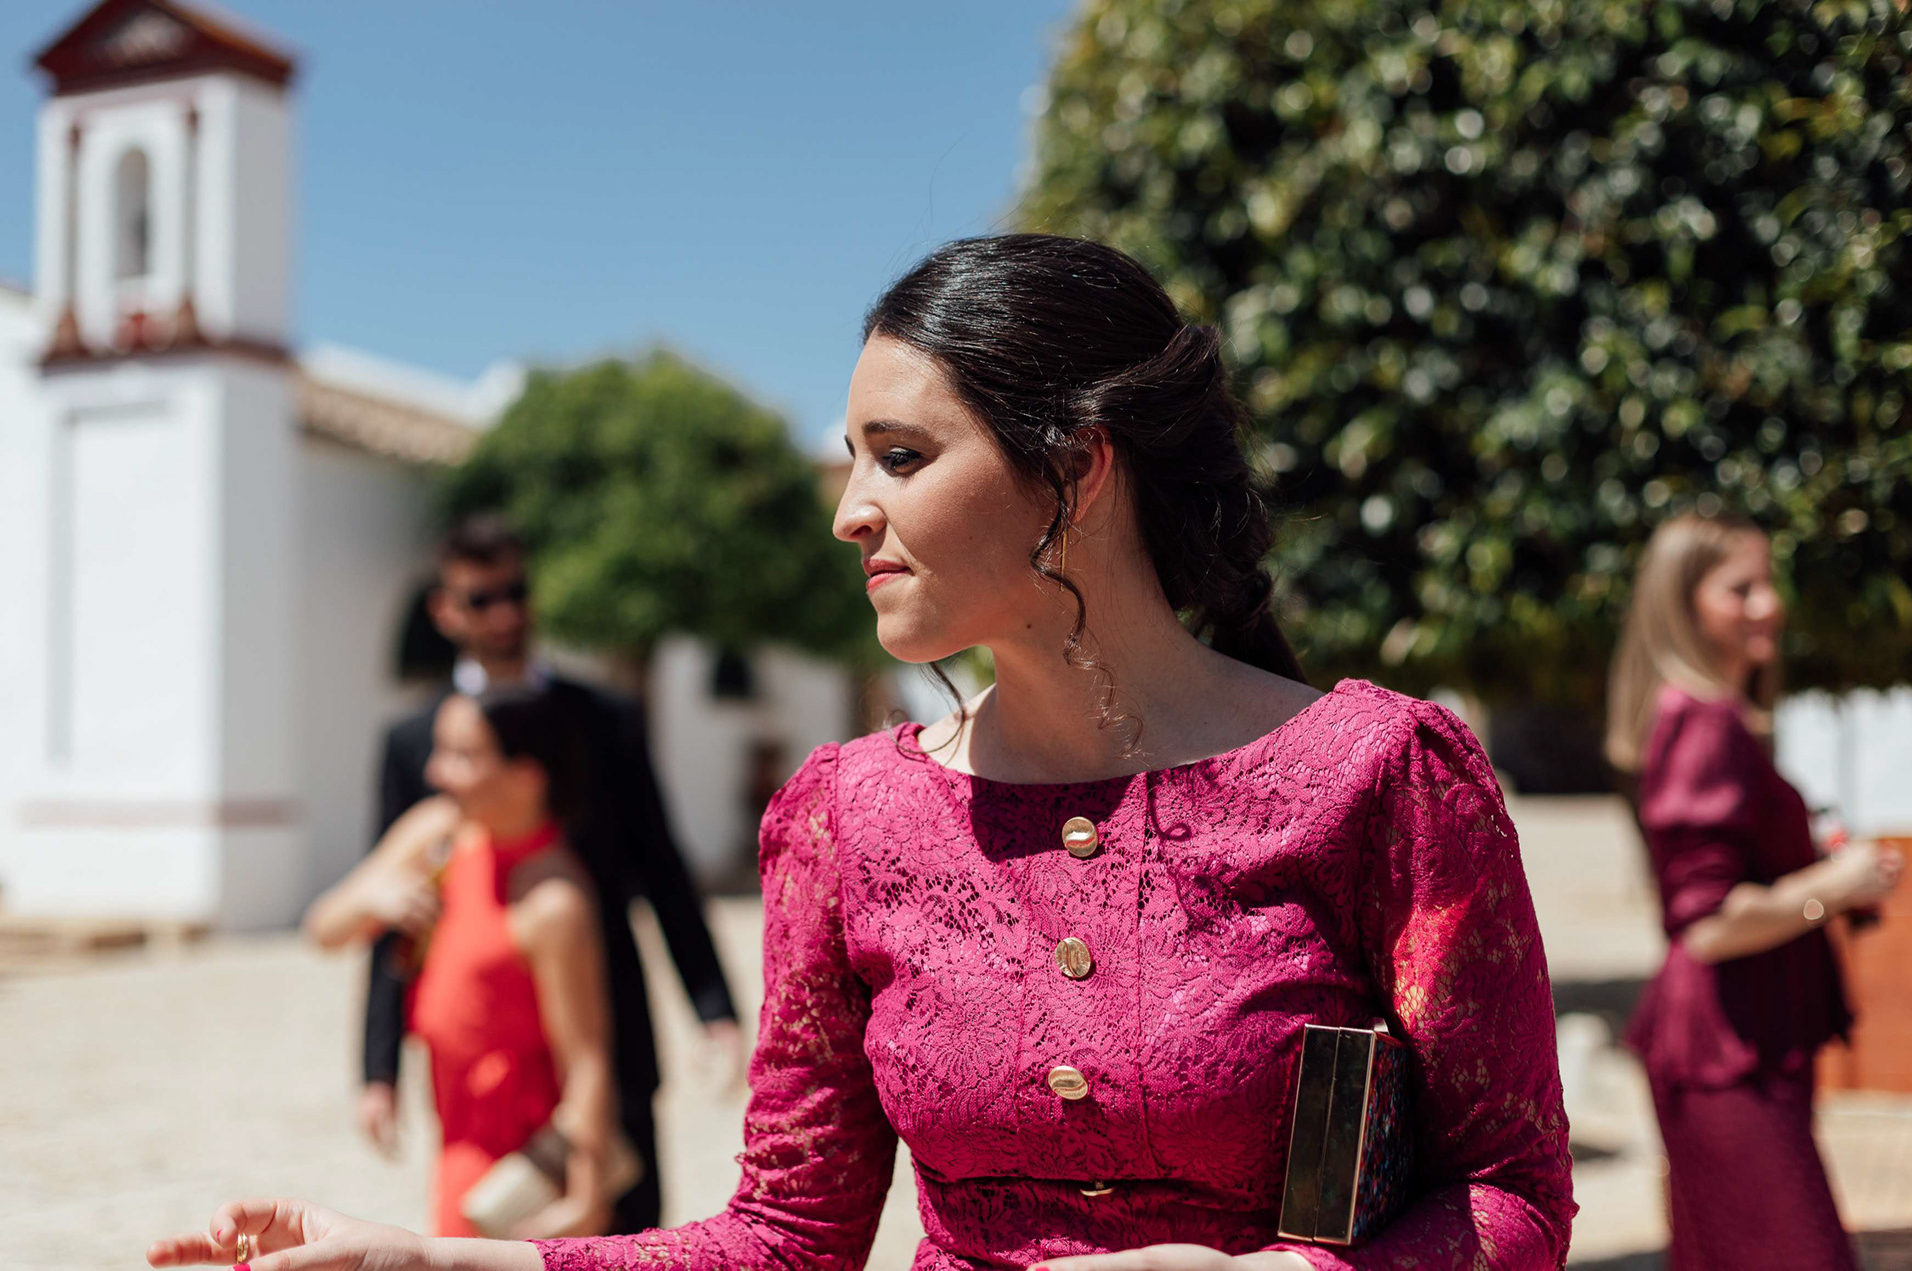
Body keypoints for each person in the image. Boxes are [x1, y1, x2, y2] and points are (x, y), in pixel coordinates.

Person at [149, 235, 1573, 1271]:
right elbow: (784, 1239)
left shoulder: (1378, 778)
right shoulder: (849, 816)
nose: (847, 510)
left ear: (1076, 469)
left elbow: (1513, 1191)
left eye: (899, 455)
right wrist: (435, 1258)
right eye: (851, 456)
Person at [354, 516, 741, 1232]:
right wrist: (377, 1068)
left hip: (609, 1026)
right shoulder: (413, 743)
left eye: (516, 592)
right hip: (489, 1054)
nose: (505, 613)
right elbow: (395, 906)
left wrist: (713, 1007)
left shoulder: (606, 717)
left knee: (632, 1242)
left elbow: (662, 868)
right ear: (444, 611)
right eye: (481, 599)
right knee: (500, 1235)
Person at [1603, 511, 1902, 1271]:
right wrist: (1835, 884)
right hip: (1724, 1050)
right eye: (1740, 589)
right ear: (1683, 605)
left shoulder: (1716, 718)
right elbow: (1707, 923)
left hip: (1742, 1043)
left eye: (1767, 584)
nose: (1768, 604)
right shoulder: (1704, 721)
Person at [307, 688, 619, 1237]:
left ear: (526, 776)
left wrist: (587, 1197)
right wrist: (372, 899)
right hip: (450, 1123)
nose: (436, 771)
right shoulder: (440, 833)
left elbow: (586, 1062)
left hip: (513, 1149)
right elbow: (323, 930)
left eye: (464, 756)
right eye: (441, 750)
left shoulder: (552, 901)